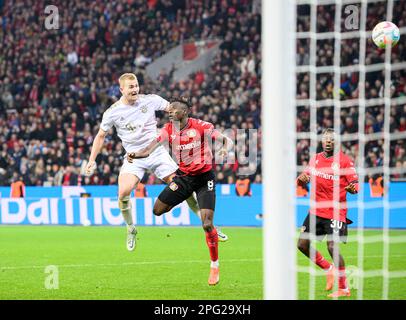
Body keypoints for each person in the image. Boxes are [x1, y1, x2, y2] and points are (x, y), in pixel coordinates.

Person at [85, 73, 228, 252]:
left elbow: (175, 109)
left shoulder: (150, 100)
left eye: (136, 85)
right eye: (130, 87)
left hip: (157, 152)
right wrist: (92, 160)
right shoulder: (112, 112)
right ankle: (131, 228)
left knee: (184, 188)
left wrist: (191, 125)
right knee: (123, 192)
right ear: (121, 89)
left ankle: (208, 226)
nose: (135, 89)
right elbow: (100, 136)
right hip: (134, 157)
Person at [127, 96, 233, 286]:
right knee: (157, 210)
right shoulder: (168, 130)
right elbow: (149, 149)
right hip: (183, 178)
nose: (169, 112)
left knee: (207, 224)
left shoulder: (201, 126)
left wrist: (225, 150)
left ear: (184, 112)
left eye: (173, 110)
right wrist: (135, 154)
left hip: (204, 179)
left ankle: (214, 265)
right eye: (169, 110)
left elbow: (226, 141)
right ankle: (185, 196)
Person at [296, 128, 359, 298]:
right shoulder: (315, 159)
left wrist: (353, 188)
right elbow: (303, 178)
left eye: (331, 139)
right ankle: (328, 268)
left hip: (336, 211)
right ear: (322, 141)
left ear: (336, 141)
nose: (328, 141)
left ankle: (344, 288)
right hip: (316, 209)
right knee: (301, 245)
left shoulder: (345, 162)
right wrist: (301, 179)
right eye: (325, 139)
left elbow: (355, 184)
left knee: (332, 247)